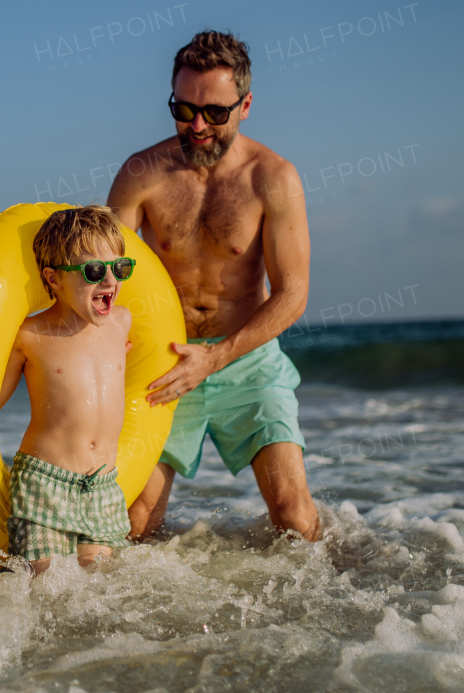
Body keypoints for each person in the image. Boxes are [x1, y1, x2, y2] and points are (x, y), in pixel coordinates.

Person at [108, 30, 321, 543]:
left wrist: (217, 356)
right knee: (135, 523)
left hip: (247, 362)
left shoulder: (272, 177)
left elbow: (293, 294)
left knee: (293, 516)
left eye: (216, 113)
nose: (198, 126)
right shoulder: (141, 172)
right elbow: (105, 272)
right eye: (184, 111)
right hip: (164, 365)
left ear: (245, 105)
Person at [0, 207, 135, 573]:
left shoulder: (121, 322)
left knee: (97, 586)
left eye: (118, 268)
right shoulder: (30, 335)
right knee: (48, 586)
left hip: (103, 484)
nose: (109, 281)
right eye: (93, 271)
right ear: (53, 278)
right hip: (46, 481)